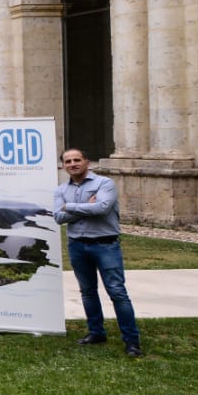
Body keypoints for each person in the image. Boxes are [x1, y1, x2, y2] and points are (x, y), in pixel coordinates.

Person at [55, 147, 141, 356]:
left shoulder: (104, 183)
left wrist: (70, 207)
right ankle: (96, 333)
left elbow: (102, 208)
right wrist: (84, 206)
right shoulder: (60, 190)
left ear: (87, 162)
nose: (73, 164)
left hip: (105, 245)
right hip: (77, 245)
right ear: (64, 166)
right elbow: (58, 217)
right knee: (87, 292)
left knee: (117, 292)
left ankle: (132, 341)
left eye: (77, 160)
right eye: (68, 161)